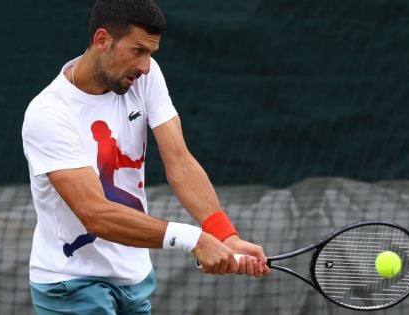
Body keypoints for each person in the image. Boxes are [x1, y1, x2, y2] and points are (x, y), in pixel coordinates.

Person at [21, 0, 270, 314]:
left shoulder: (143, 77)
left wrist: (224, 234)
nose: (145, 66)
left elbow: (180, 162)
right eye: (138, 51)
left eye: (151, 54)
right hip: (71, 284)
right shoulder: (49, 115)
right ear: (102, 41)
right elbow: (95, 214)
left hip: (135, 278)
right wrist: (194, 239)